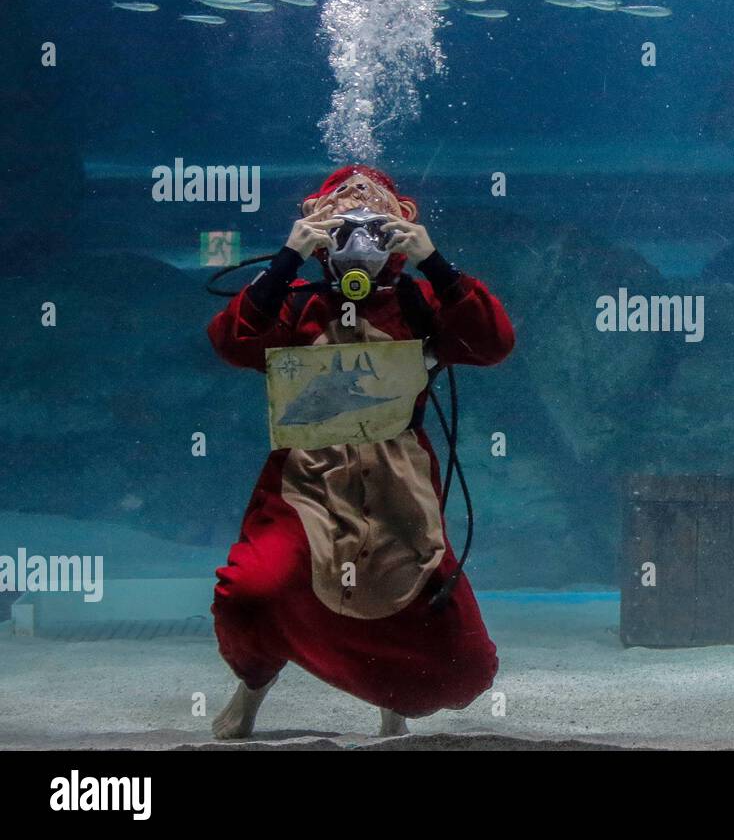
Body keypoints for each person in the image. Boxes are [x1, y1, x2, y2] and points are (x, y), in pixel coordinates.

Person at [206, 164, 514, 739]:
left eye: (375, 226)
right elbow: (232, 342)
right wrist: (286, 260)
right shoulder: (296, 299)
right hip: (304, 478)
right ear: (319, 226)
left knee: (463, 666)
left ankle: (391, 703)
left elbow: (492, 344)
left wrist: (436, 264)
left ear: (401, 224)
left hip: (400, 481)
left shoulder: (420, 301)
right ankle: (253, 686)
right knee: (252, 592)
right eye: (343, 227)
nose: (360, 243)